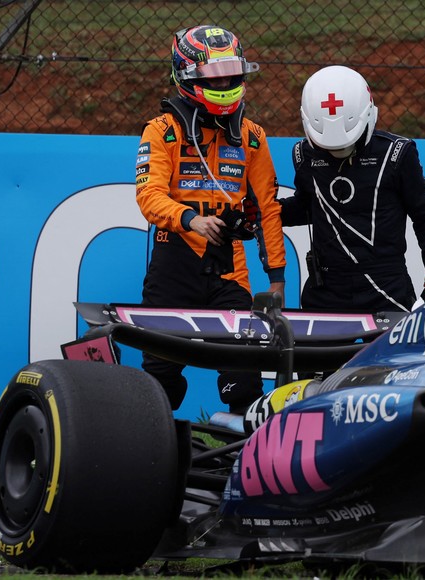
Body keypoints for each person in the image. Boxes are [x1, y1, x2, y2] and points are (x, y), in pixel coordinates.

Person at [135, 25, 286, 413]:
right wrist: (189, 219)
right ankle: (153, 457)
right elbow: (148, 195)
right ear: (186, 75)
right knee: (159, 382)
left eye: (230, 74)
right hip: (173, 265)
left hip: (230, 270)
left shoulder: (253, 137)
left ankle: (241, 462)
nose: (224, 82)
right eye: (213, 77)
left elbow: (268, 207)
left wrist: (277, 279)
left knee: (244, 382)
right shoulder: (161, 130)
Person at [280, 65, 425, 314]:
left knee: (394, 354)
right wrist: (264, 213)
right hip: (325, 287)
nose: (336, 151)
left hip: (386, 285)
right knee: (313, 354)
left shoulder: (397, 154)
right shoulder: (302, 155)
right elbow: (308, 205)